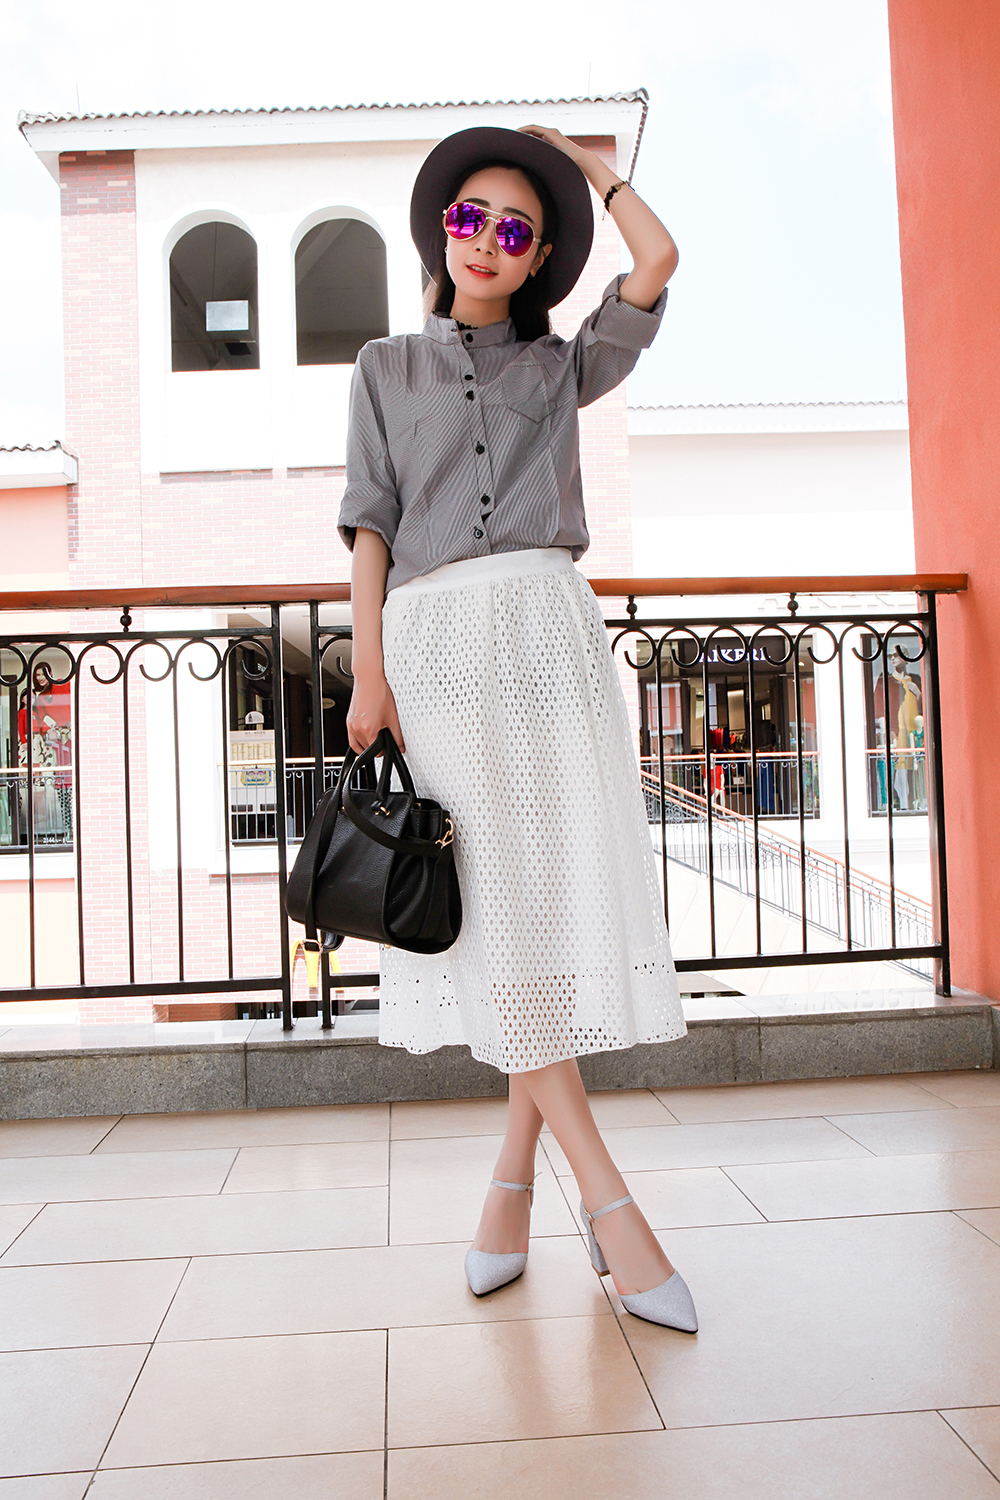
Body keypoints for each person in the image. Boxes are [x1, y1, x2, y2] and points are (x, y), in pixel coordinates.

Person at [337, 124, 695, 1332]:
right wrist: (369, 670)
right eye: (468, 217)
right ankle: (609, 1204)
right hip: (437, 648)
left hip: (547, 638)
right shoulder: (383, 366)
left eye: (514, 228)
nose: (485, 241)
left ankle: (507, 1190)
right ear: (439, 229)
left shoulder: (560, 365)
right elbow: (370, 521)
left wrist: (592, 174)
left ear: (539, 255)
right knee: (492, 918)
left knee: (537, 912)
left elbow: (657, 261)